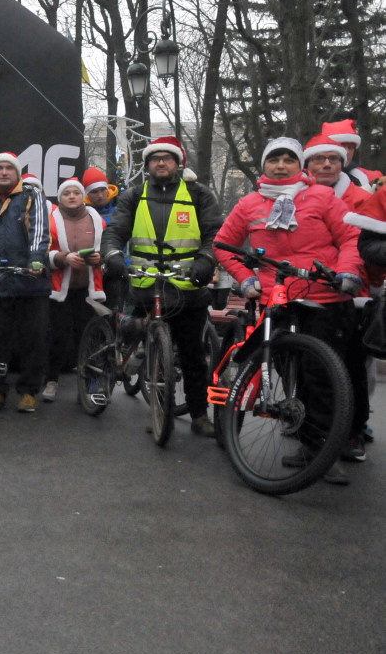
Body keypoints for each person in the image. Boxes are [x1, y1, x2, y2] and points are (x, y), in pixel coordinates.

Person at [215, 137, 365, 483]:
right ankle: (300, 430)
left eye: (288, 160)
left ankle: (321, 452)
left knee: (322, 378)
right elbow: (224, 245)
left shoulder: (323, 197)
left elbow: (351, 237)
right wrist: (244, 277)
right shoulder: (249, 203)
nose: (281, 166)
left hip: (323, 297)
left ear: (300, 166)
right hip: (275, 299)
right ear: (263, 166)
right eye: (274, 160)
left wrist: (347, 271)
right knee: (285, 371)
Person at [101, 136, 223, 438]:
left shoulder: (199, 195)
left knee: (194, 356)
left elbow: (215, 234)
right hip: (146, 284)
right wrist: (113, 254)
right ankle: (155, 402)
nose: (161, 162)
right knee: (152, 345)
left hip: (188, 288)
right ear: (148, 165)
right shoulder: (134, 195)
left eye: (167, 158)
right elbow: (115, 230)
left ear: (178, 162)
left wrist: (207, 260)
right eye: (155, 159)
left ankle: (199, 415)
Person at [0, 152, 51, 411]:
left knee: (32, 338)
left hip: (30, 279)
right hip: (0, 279)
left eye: (9, 168)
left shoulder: (31, 195)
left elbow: (39, 230)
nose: (4, 172)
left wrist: (36, 259)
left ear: (17, 173)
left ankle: (28, 392)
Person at [43, 178, 105, 403]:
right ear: (60, 198)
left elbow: (108, 247)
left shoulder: (97, 219)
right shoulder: (50, 221)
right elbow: (42, 252)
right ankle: (51, 380)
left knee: (88, 338)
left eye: (76, 193)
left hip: (88, 290)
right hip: (60, 290)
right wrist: (62, 258)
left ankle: (89, 382)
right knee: (58, 336)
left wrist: (101, 257)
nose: (71, 196)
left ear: (82, 196)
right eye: (66, 193)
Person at [304, 134, 370, 209]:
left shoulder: (365, 200)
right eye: (319, 159)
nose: (327, 165)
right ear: (306, 165)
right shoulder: (292, 196)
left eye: (333, 159)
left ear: (341, 165)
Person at [322, 119, 382, 189]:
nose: (347, 152)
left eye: (350, 148)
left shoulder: (373, 178)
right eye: (342, 147)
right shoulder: (309, 179)